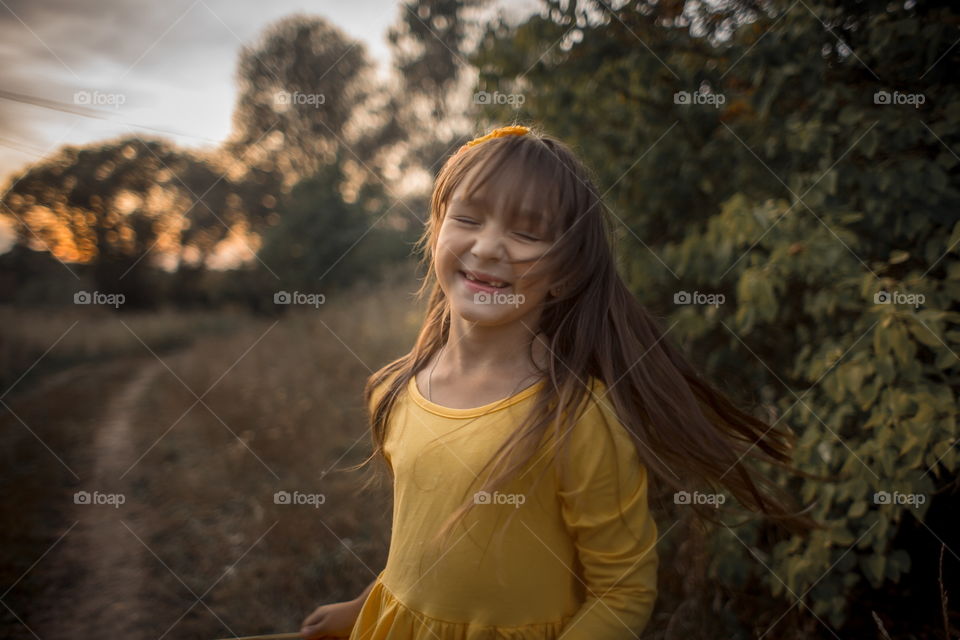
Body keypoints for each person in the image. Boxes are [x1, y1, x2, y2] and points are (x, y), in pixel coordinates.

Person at [300, 125, 818, 640]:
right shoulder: (395, 390)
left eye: (527, 232)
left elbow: (623, 591)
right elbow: (425, 550)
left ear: (566, 272)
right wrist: (362, 607)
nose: (488, 246)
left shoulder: (577, 417)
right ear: (435, 232)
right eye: (467, 218)